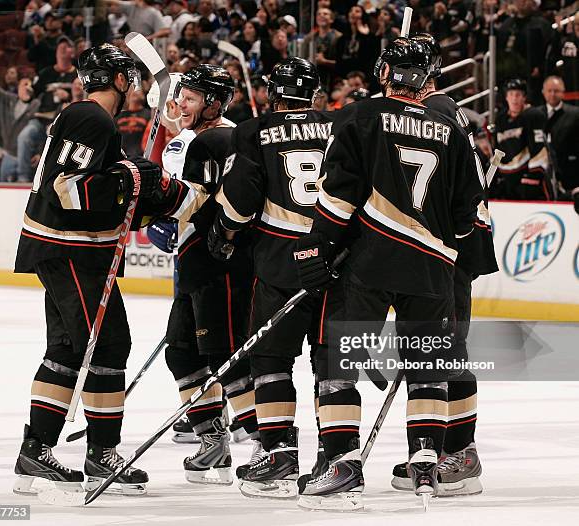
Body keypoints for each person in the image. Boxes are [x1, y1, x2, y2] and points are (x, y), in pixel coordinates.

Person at [294, 37, 483, 510]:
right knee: (428, 368)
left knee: (340, 366)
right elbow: (466, 219)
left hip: (368, 264)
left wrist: (318, 247)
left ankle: (341, 463)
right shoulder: (453, 130)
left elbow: (338, 195)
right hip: (434, 271)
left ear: (383, 71)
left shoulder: (360, 116)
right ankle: (425, 463)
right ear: (427, 78)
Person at [13, 43, 162, 496]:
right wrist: (128, 180)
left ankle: (35, 450)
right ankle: (102, 453)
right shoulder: (92, 118)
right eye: (126, 76)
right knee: (110, 343)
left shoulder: (85, 116)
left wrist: (125, 176)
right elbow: (69, 189)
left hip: (62, 250)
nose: (131, 83)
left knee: (65, 349)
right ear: (118, 79)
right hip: (72, 251)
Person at [208, 57, 345, 502]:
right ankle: (337, 460)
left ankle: (280, 456)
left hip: (281, 267)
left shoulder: (252, 130)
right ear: (315, 93)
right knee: (332, 366)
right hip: (335, 265)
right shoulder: (339, 125)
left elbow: (239, 205)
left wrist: (223, 234)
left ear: (273, 92)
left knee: (270, 363)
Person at [389, 33, 498, 497]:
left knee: (445, 349)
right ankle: (436, 444)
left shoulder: (431, 113)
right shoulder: (443, 109)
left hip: (446, 251)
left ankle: (463, 451)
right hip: (448, 247)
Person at [146, 65, 259, 485]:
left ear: (213, 103)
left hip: (226, 262)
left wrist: (159, 210)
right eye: (180, 97)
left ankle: (267, 442)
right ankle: (212, 437)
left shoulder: (236, 138)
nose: (180, 105)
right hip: (194, 261)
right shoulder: (184, 141)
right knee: (182, 353)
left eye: (190, 98)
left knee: (228, 357)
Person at [17, 36, 78, 182]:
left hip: (65, 123)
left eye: (66, 47)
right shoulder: (46, 73)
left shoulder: (78, 74)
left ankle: (59, 180)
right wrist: (25, 92)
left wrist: (68, 96)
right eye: (60, 48)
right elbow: (32, 93)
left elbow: (84, 96)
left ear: (73, 53)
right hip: (42, 119)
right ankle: (22, 178)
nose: (62, 50)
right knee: (25, 136)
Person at [0, 49, 40, 182]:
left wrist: (40, 152)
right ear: (18, 85)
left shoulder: (36, 104)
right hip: (9, 156)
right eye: (24, 84)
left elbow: (42, 129)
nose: (27, 87)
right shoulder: (8, 99)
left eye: (30, 85)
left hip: (27, 158)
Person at [493, 78, 550, 199]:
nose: (514, 98)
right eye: (511, 94)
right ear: (506, 97)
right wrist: (494, 174)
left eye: (518, 95)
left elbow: (539, 149)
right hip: (505, 177)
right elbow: (497, 150)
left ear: (524, 97)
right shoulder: (501, 119)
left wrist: (533, 176)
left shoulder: (534, 115)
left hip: (526, 178)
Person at [534, 76, 579, 204]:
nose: (552, 94)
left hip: (569, 174)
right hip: (541, 175)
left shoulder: (575, 114)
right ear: (543, 92)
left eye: (556, 91)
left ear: (563, 92)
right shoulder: (534, 114)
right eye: (549, 90)